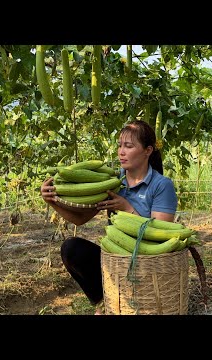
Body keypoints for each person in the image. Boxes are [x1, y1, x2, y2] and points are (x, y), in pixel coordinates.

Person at [40, 120, 177, 314]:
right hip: (115, 259)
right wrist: (52, 200)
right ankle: (106, 300)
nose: (121, 152)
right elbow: (80, 220)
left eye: (128, 146)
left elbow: (162, 234)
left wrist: (127, 207)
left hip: (148, 262)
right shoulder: (113, 181)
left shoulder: (161, 185)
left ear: (147, 151)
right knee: (72, 249)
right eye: (120, 145)